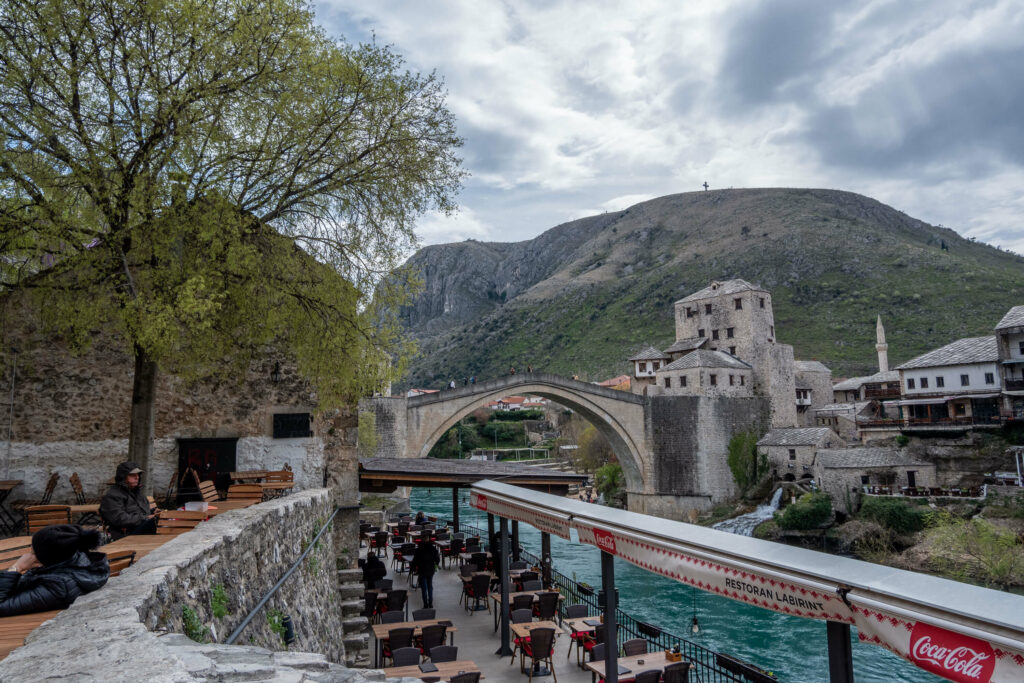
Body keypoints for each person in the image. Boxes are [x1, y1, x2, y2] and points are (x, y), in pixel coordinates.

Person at [0, 524, 109, 616]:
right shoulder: (73, 561)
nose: (30, 550)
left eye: (33, 547)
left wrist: (16, 567)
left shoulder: (58, 585)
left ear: (45, 555)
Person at [100, 461, 158, 541]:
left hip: (140, 528)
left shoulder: (137, 493)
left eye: (138, 474)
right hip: (125, 534)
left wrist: (153, 512)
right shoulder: (113, 496)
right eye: (132, 475)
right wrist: (145, 518)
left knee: (166, 521)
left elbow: (140, 511)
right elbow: (119, 518)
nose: (137, 477)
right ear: (123, 477)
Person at [410, 536, 441, 608]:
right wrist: (435, 564)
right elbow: (437, 559)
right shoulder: (433, 549)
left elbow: (415, 561)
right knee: (430, 586)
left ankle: (425, 604)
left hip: (422, 570)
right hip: (431, 570)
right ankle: (431, 603)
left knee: (424, 588)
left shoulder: (419, 550)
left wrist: (414, 568)